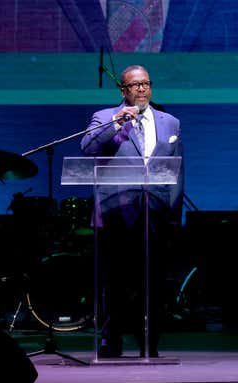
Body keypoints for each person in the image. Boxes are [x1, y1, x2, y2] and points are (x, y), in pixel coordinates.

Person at [80, 65, 184, 358]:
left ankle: (148, 342)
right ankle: (110, 338)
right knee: (116, 280)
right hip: (116, 210)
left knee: (154, 281)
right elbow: (87, 149)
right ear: (123, 91)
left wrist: (173, 211)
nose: (141, 89)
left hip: (156, 211)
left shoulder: (170, 122)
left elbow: (176, 171)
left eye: (146, 84)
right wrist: (115, 124)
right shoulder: (104, 117)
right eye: (135, 85)